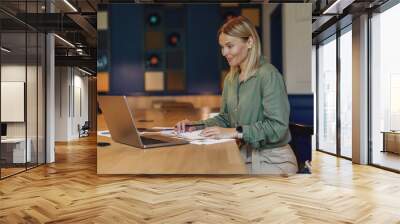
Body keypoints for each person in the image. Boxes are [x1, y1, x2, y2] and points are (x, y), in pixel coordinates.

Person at [175, 16, 298, 175]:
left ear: (250, 42)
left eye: (229, 46)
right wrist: (196, 125)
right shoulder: (231, 79)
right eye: (222, 47)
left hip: (273, 159)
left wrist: (235, 131)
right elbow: (226, 118)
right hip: (243, 154)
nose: (224, 52)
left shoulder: (269, 75)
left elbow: (278, 127)